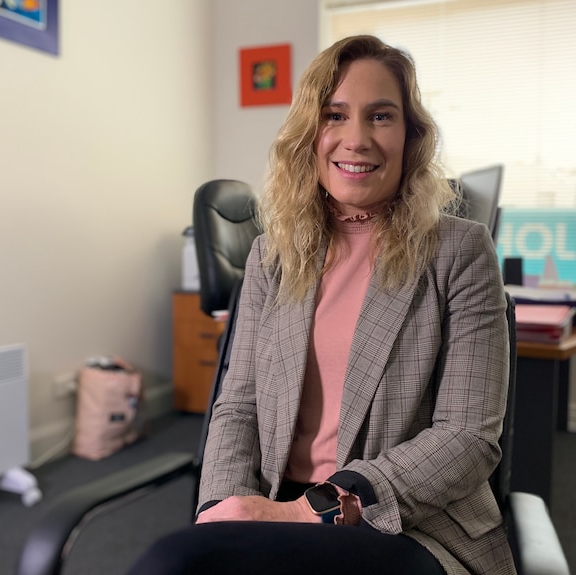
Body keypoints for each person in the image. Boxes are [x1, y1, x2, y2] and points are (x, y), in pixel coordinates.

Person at [129, 34, 515, 575]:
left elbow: (469, 437)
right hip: (273, 498)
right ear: (310, 136)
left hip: (408, 523)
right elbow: (237, 407)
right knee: (171, 564)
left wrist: (321, 508)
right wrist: (224, 509)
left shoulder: (460, 249)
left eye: (380, 116)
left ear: (410, 136)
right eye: (335, 115)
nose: (356, 139)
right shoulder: (272, 255)